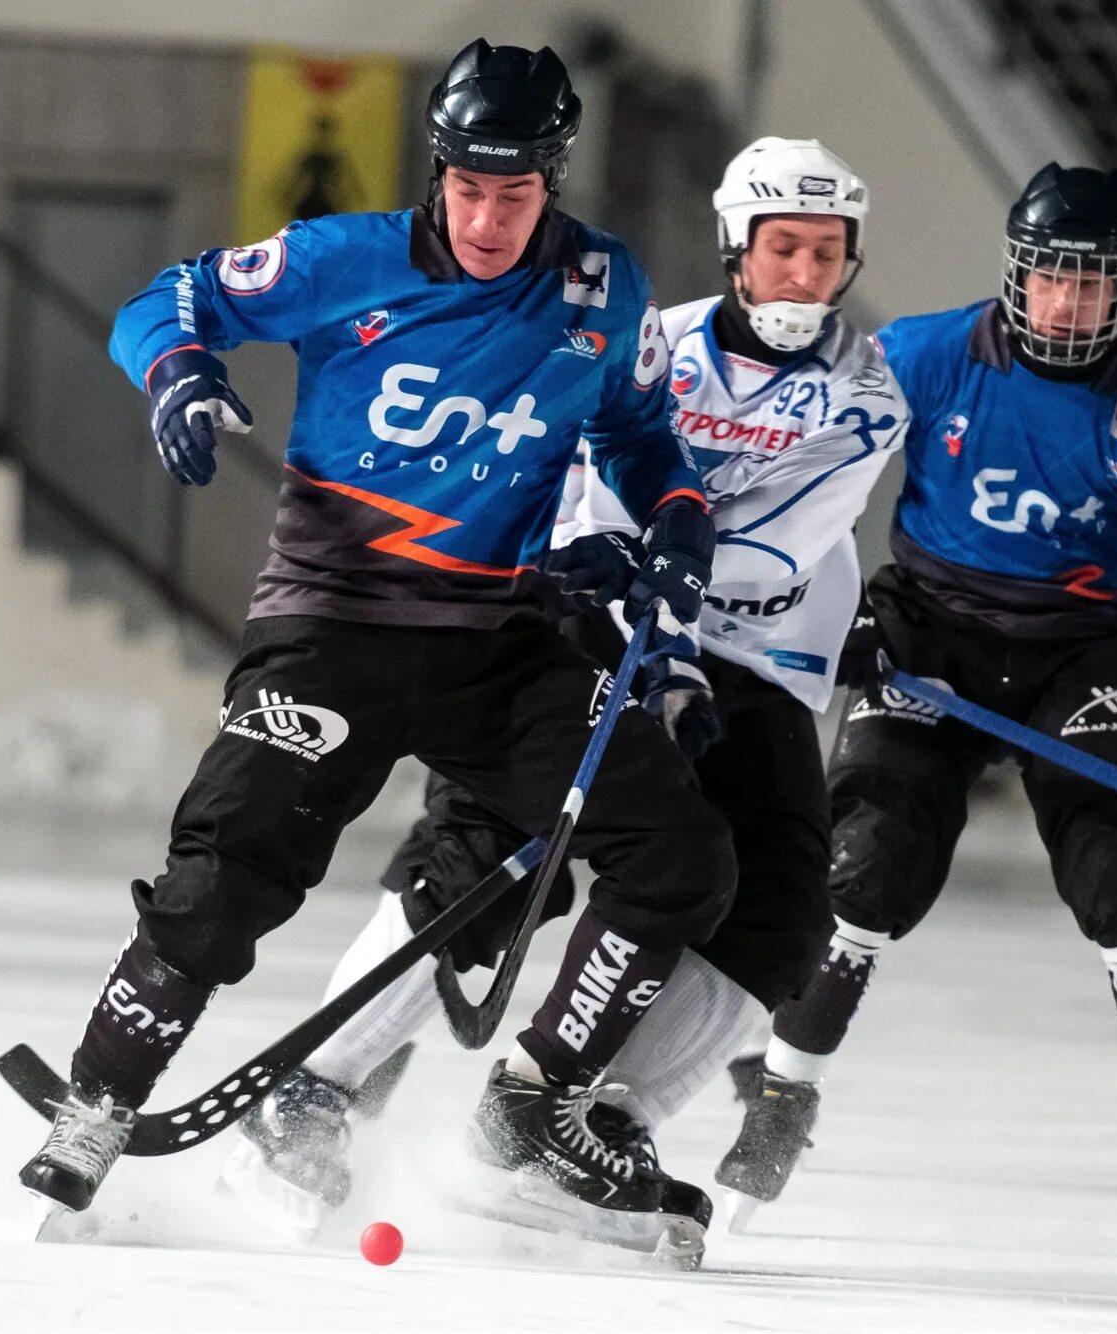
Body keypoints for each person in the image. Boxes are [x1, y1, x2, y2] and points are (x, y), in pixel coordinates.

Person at [16, 39, 737, 1232]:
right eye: (467, 190)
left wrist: (674, 512)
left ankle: (535, 1100)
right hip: (331, 628)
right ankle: (96, 1103)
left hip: (497, 647)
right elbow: (169, 299)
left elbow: (641, 432)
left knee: (680, 852)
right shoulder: (342, 258)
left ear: (551, 179)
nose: (489, 218)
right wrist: (178, 375)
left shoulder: (603, 289)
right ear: (438, 171)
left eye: (514, 195)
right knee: (226, 870)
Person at [218, 136, 911, 1245]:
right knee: (504, 838)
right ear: (738, 246)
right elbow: (577, 454)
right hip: (595, 615)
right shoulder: (653, 335)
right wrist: (589, 555)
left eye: (826, 253)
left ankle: (567, 1117)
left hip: (752, 654)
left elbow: (777, 551)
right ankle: (316, 1085)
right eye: (781, 246)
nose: (802, 274)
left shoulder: (865, 393)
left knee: (781, 901)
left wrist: (653, 575)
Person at [715, 163, 1117, 1258]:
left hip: (1077, 649)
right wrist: (835, 606)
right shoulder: (922, 355)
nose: (1064, 305)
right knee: (867, 856)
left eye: (1091, 286)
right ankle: (780, 1094)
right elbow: (805, 483)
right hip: (931, 629)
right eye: (1050, 278)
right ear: (1016, 270)